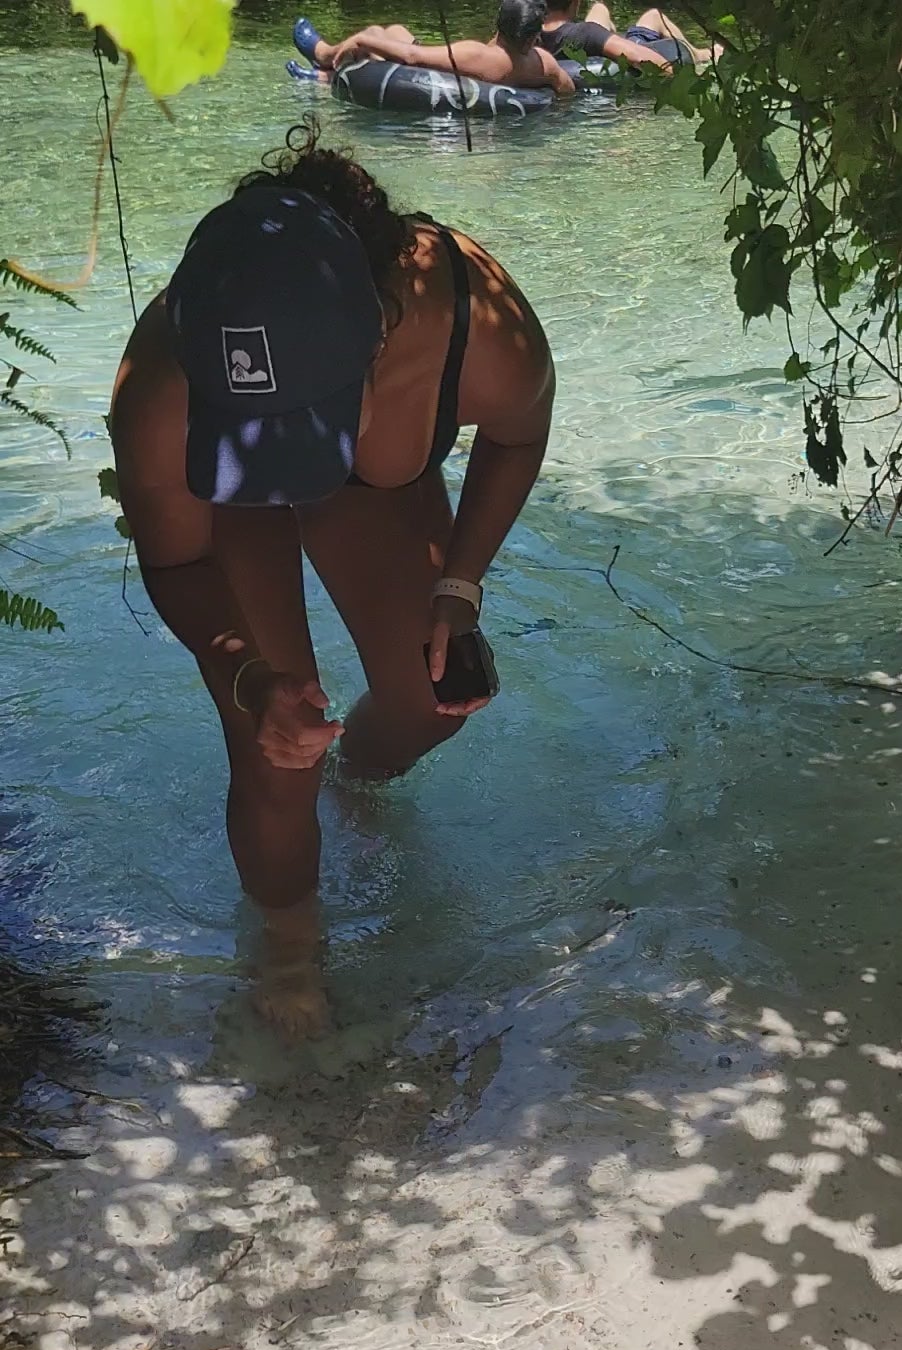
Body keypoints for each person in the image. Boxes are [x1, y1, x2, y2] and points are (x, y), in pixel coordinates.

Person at [111, 125, 556, 1040]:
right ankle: (286, 942)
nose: (295, 464)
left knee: (429, 701)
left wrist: (459, 586)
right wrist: (248, 677)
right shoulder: (159, 394)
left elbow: (518, 434)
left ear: (380, 336)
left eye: (303, 420)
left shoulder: (472, 321)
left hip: (377, 486)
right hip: (228, 502)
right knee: (274, 749)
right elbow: (176, 561)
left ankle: (355, 781)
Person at [292, 0, 576, 96]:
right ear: (532, 37)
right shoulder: (542, 63)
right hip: (453, 72)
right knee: (397, 31)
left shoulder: (480, 53)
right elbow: (566, 90)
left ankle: (324, 58)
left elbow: (413, 57)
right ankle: (325, 75)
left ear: (499, 24)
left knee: (377, 32)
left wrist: (363, 40)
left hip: (426, 74)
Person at [544, 1, 716, 66]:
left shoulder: (529, 31)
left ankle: (612, 33)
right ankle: (701, 55)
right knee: (654, 16)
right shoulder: (585, 34)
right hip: (610, 51)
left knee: (599, 8)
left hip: (590, 46)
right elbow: (639, 57)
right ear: (575, 2)